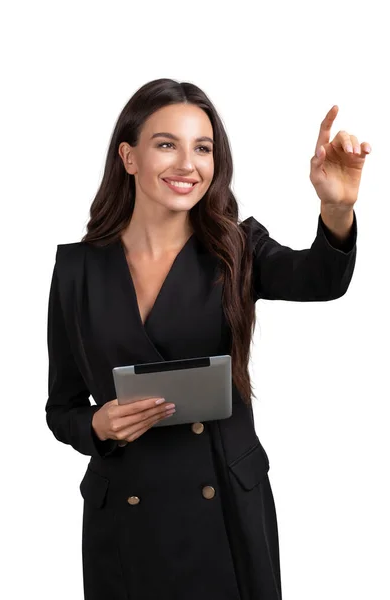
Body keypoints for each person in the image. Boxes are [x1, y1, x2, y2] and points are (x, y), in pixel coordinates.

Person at [45, 78, 371, 600]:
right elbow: (60, 408)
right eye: (166, 144)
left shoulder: (238, 248)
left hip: (223, 510)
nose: (187, 164)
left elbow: (321, 280)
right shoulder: (77, 269)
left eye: (203, 148)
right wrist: (97, 425)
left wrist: (336, 210)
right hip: (125, 521)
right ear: (129, 157)